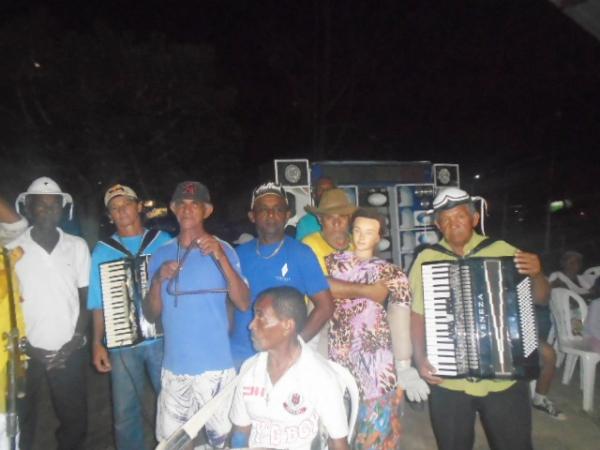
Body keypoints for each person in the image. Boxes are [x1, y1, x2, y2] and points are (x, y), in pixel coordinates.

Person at [409, 187, 550, 450]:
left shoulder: (503, 250)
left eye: (460, 216)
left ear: (474, 219)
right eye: (446, 220)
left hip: (504, 378)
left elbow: (541, 298)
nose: (453, 224)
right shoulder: (427, 260)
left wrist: (538, 274)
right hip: (448, 379)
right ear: (438, 226)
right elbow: (417, 314)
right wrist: (419, 358)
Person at [144, 181, 249, 447]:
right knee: (174, 444)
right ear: (173, 209)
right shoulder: (160, 255)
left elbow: (243, 303)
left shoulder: (224, 249)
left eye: (194, 204)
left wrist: (221, 259)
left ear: (207, 210)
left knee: (223, 442)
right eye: (181, 204)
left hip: (218, 370)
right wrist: (157, 280)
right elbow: (151, 314)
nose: (187, 209)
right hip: (175, 369)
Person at [326, 208, 421, 449]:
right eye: (357, 230)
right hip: (338, 357)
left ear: (379, 237)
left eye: (369, 232)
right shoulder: (332, 263)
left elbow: (400, 316)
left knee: (376, 429)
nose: (361, 237)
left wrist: (404, 366)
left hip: (376, 361)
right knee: (338, 427)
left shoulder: (391, 272)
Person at [8, 177, 91, 450]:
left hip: (69, 349)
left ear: (62, 209)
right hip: (24, 353)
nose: (48, 211)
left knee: (75, 420)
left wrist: (75, 341)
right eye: (41, 206)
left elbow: (85, 298)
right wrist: (28, 348)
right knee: (22, 420)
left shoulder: (77, 246)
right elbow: (8, 308)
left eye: (54, 206)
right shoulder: (12, 250)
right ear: (28, 208)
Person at [87, 184, 172, 450]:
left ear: (138, 207)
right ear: (110, 216)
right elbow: (98, 303)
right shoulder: (102, 251)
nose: (121, 211)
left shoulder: (163, 241)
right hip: (123, 345)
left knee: (172, 405)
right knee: (125, 414)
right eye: (114, 208)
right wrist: (97, 342)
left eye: (126, 204)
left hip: (164, 339)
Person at [230, 286, 350, 450]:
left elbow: (338, 443)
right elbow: (240, 434)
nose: (251, 325)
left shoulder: (319, 377)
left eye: (260, 317)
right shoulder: (250, 370)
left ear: (287, 326)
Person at [230, 182, 334, 369]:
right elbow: (227, 303)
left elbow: (325, 306)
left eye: (278, 209)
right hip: (239, 357)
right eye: (263, 210)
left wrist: (295, 345)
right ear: (252, 216)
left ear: (287, 215)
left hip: (282, 362)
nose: (271, 215)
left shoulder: (301, 254)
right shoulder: (237, 254)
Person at [0, 245, 26, 450]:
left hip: (8, 356)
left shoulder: (5, 253)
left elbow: (15, 307)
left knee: (10, 429)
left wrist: (21, 356)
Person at [295, 176, 335, 241]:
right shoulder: (305, 223)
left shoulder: (345, 218)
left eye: (329, 190)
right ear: (314, 195)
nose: (325, 192)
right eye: (321, 189)